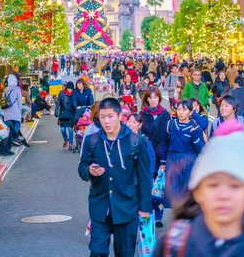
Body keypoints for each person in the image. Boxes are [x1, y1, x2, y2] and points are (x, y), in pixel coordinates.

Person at [154, 129, 244, 257]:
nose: (223, 195)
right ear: (197, 192)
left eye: (235, 186)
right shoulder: (174, 245)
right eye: (213, 185)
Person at [78, 98, 151, 257]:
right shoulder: (92, 140)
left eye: (110, 116)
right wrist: (89, 171)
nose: (106, 121)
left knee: (125, 253)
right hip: (100, 208)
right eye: (102, 116)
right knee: (97, 251)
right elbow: (82, 167)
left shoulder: (136, 142)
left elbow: (144, 177)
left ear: (120, 116)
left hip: (127, 208)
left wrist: (145, 208)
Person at [160, 100, 206, 207]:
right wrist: (163, 161)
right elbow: (164, 143)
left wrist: (195, 136)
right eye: (179, 109)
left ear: (190, 113)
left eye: (184, 110)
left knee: (187, 193)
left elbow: (201, 149)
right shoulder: (170, 125)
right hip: (172, 160)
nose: (180, 112)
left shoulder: (195, 128)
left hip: (189, 162)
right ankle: (176, 218)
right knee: (173, 192)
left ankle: (186, 218)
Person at [139, 86, 172, 227]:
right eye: (150, 98)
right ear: (146, 99)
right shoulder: (142, 114)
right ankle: (149, 212)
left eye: (155, 97)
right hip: (146, 154)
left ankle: (158, 216)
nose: (153, 100)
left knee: (159, 187)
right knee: (147, 185)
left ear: (159, 98)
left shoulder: (165, 114)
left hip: (161, 154)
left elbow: (167, 135)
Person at [0, 75, 24, 156]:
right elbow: (19, 102)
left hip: (7, 111)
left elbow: (2, 101)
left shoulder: (6, 90)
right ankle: (14, 138)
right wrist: (20, 111)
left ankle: (9, 144)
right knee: (16, 126)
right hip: (15, 110)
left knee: (7, 129)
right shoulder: (17, 90)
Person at [56, 82, 76, 150]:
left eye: (71, 89)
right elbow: (58, 103)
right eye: (68, 88)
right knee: (63, 129)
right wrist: (56, 111)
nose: (70, 90)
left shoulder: (74, 94)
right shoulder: (61, 93)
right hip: (63, 113)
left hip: (71, 113)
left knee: (70, 129)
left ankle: (71, 143)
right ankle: (65, 139)